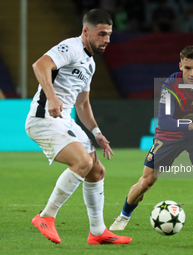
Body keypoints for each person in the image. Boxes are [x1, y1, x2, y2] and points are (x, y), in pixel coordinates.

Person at [25, 9, 132, 245]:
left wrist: (97, 133)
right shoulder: (70, 47)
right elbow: (40, 65)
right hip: (44, 118)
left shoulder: (90, 64)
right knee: (82, 162)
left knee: (96, 171)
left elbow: (82, 103)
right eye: (101, 34)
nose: (106, 40)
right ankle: (46, 217)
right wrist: (52, 97)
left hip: (65, 121)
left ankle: (98, 232)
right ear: (86, 31)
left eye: (109, 35)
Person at [110, 45, 193, 231]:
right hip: (170, 135)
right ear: (180, 66)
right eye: (187, 68)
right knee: (146, 182)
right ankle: (123, 216)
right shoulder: (170, 87)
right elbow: (165, 122)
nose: (191, 73)